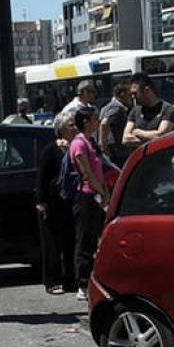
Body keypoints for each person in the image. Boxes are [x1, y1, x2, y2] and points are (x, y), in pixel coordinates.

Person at [69, 107, 110, 301]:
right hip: (86, 196)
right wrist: (100, 191)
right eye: (94, 119)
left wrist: (105, 193)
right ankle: (82, 282)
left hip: (97, 195)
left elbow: (100, 169)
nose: (97, 121)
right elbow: (86, 172)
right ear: (86, 121)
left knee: (97, 239)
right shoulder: (79, 144)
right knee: (84, 239)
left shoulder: (91, 142)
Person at [35, 114, 77, 296]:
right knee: (52, 243)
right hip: (52, 202)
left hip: (69, 201)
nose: (75, 128)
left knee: (70, 241)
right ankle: (52, 280)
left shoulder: (75, 148)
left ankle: (70, 279)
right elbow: (41, 178)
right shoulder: (50, 150)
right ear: (61, 129)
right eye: (71, 125)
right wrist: (41, 202)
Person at [123, 73, 174, 148]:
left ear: (147, 90)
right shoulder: (135, 111)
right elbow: (125, 139)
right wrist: (151, 138)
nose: (133, 97)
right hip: (140, 158)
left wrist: (137, 132)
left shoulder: (168, 109)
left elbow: (161, 137)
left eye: (135, 93)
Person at [98, 82, 135, 168]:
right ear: (122, 94)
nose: (132, 98)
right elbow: (104, 124)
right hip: (117, 151)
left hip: (112, 151)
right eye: (129, 95)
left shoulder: (106, 106)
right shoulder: (117, 108)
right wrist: (103, 145)